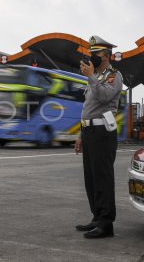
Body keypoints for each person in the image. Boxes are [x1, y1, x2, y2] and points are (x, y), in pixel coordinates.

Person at [74, 35, 123, 239]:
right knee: (91, 178)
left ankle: (106, 224)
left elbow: (104, 97)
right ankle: (96, 217)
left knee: (103, 177)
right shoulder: (94, 78)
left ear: (106, 56)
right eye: (90, 53)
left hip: (104, 132)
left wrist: (92, 76)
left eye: (96, 54)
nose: (91, 57)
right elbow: (89, 108)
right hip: (89, 131)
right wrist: (80, 134)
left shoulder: (114, 76)